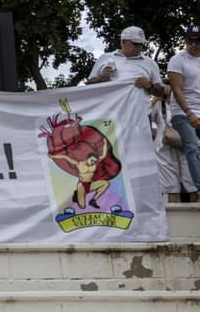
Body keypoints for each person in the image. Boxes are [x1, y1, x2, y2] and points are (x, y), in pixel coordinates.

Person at [86, 25, 167, 98]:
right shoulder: (105, 58)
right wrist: (101, 77)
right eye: (135, 43)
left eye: (141, 44)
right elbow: (88, 86)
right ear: (122, 42)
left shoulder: (150, 63)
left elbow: (161, 93)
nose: (139, 47)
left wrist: (150, 86)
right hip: (109, 111)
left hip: (138, 113)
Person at [166, 25, 200, 190]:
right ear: (185, 41)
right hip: (183, 111)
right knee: (192, 146)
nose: (194, 44)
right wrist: (189, 113)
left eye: (198, 40)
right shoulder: (178, 60)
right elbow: (176, 88)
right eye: (190, 40)